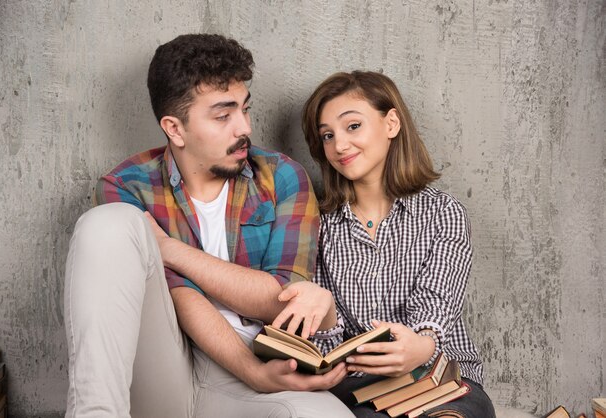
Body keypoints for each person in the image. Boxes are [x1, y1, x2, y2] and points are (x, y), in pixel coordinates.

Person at [64, 34, 355, 418]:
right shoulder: (126, 185)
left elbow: (283, 299)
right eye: (223, 116)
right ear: (175, 128)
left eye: (244, 109)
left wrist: (170, 249)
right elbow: (180, 295)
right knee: (106, 225)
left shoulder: (281, 176)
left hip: (254, 375)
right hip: (161, 367)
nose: (244, 128)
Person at [298, 71, 496, 418]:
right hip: (360, 385)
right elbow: (326, 345)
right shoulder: (317, 225)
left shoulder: (443, 213)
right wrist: (327, 315)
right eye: (327, 135)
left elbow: (438, 301)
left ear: (391, 123)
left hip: (441, 377)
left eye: (353, 126)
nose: (339, 145)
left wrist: (420, 345)